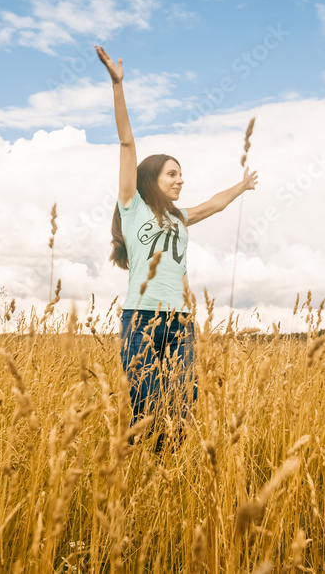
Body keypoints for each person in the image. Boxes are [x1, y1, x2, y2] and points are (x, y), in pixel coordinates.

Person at [95, 44, 259, 453]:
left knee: (184, 406)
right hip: (142, 318)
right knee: (146, 409)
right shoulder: (132, 208)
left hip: (181, 320)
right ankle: (135, 472)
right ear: (153, 178)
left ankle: (166, 473)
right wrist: (118, 85)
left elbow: (214, 204)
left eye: (182, 175)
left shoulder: (180, 218)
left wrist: (241, 186)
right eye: (173, 174)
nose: (180, 180)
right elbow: (127, 144)